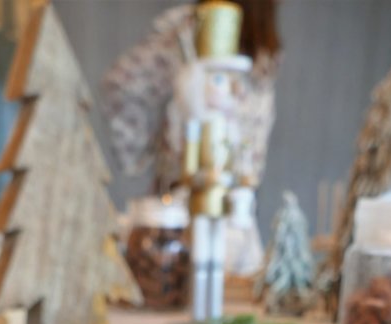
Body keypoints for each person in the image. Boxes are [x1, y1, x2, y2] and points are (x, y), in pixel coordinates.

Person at [101, 0, 281, 196]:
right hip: (181, 200)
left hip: (237, 201)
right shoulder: (188, 31)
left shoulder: (264, 44)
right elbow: (121, 85)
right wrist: (150, 154)